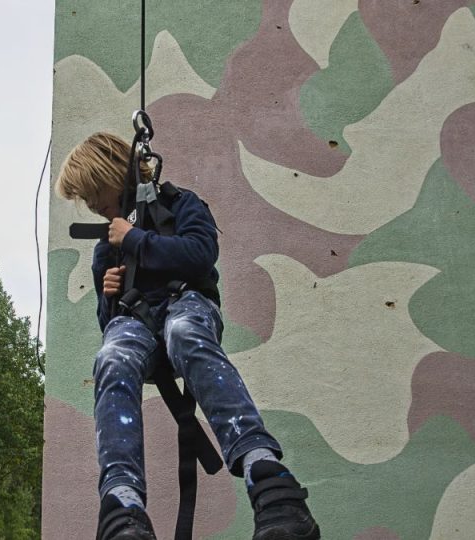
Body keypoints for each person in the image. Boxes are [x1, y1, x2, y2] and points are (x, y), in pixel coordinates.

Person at [56, 132, 320, 540]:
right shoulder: (106, 246)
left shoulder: (181, 205)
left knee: (183, 332)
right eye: (84, 199)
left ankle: (267, 477)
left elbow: (200, 254)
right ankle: (122, 504)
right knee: (111, 356)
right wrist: (109, 292)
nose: (91, 204)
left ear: (114, 170)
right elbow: (108, 324)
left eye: (93, 191)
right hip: (136, 322)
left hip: (187, 304)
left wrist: (136, 239)